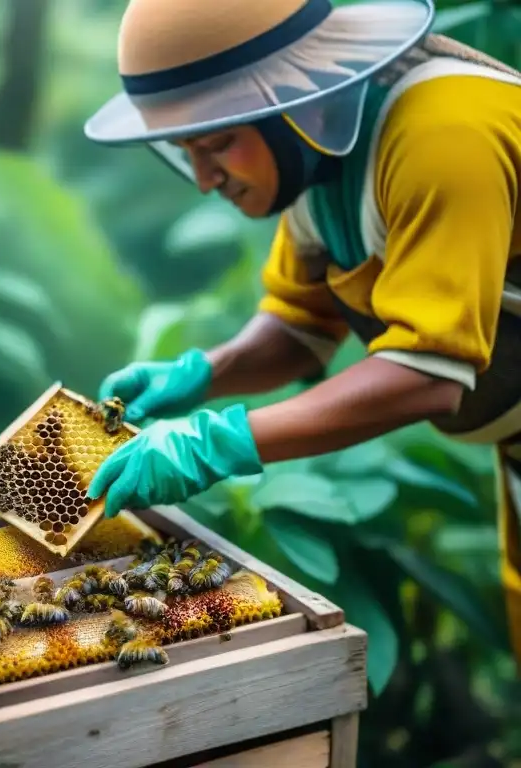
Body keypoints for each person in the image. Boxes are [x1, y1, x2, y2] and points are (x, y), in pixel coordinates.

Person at [82, 0, 521, 667]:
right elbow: (301, 327)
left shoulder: (442, 134)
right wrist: (203, 373)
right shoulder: (318, 162)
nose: (205, 181)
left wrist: (217, 442)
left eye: (219, 143)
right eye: (187, 151)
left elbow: (428, 379)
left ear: (295, 100)